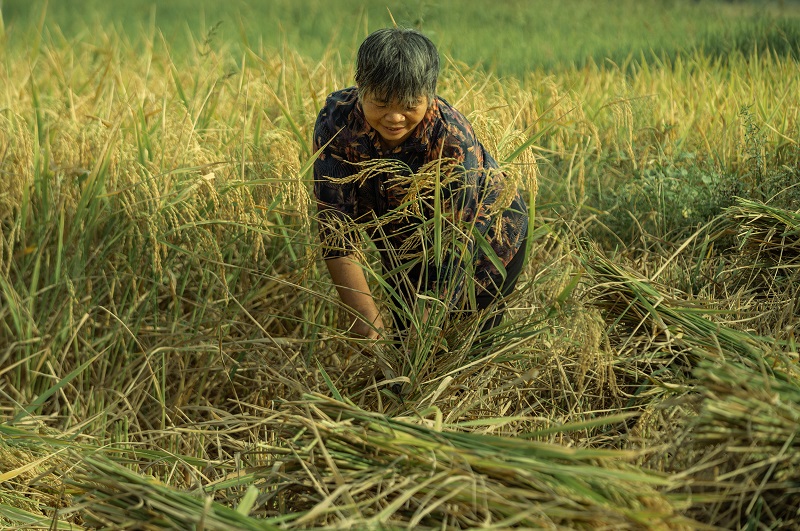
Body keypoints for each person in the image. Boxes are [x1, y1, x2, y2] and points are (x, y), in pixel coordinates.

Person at [313, 27, 528, 347]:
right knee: (398, 347)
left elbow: (454, 249)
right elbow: (336, 227)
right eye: (381, 102)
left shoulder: (451, 142)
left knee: (459, 355)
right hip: (405, 249)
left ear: (430, 94)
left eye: (409, 104)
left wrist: (422, 334)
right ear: (361, 87)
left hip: (486, 249)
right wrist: (364, 317)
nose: (394, 117)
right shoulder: (337, 122)